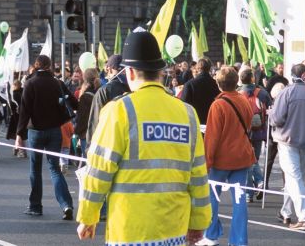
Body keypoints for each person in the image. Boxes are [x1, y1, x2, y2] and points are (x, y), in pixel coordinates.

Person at [76, 31, 211, 245]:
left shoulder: (119, 111)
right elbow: (198, 175)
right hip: (174, 229)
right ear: (160, 72)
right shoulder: (187, 114)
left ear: (129, 73)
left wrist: (88, 216)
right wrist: (199, 222)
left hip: (130, 229)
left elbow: (99, 170)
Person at [196, 67, 254, 246]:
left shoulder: (218, 105)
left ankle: (211, 234)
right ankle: (239, 241)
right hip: (242, 157)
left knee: (212, 197)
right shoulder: (244, 100)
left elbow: (212, 138)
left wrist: (207, 162)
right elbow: (249, 125)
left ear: (218, 83)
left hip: (221, 160)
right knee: (239, 201)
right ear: (236, 81)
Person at [15, 55, 78, 220]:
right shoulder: (57, 83)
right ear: (49, 66)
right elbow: (74, 103)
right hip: (54, 131)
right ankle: (66, 205)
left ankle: (36, 206)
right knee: (55, 169)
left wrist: (19, 134)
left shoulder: (30, 83)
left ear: (36, 66)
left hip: (35, 131)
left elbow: (25, 111)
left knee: (35, 169)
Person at [270, 64, 305, 231]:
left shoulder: (286, 92)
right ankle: (285, 212)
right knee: (296, 179)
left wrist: (270, 117)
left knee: (293, 179)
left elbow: (277, 119)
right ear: (304, 75)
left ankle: (304, 217)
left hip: (288, 141)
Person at [238, 68, 272, 203]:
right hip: (258, 132)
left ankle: (248, 192)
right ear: (253, 79)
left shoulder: (237, 93)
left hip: (242, 132)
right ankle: (258, 182)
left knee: (246, 162)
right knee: (254, 159)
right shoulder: (262, 93)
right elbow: (270, 110)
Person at [86, 55, 129, 150]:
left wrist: (90, 148)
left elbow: (95, 122)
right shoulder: (135, 88)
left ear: (109, 69)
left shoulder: (104, 90)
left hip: (108, 145)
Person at [181, 59, 220, 125]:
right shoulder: (216, 84)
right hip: (211, 121)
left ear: (197, 68)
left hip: (195, 122)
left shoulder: (189, 84)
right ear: (209, 68)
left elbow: (184, 105)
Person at [74, 68, 100, 161]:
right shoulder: (101, 91)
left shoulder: (85, 97)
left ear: (85, 78)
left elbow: (82, 118)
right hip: (99, 131)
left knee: (88, 161)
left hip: (87, 133)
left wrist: (77, 130)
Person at [6, 79, 26, 158]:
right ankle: (16, 148)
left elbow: (12, 105)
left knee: (19, 133)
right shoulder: (23, 92)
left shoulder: (15, 94)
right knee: (19, 133)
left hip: (16, 116)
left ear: (15, 86)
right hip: (21, 115)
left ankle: (21, 150)